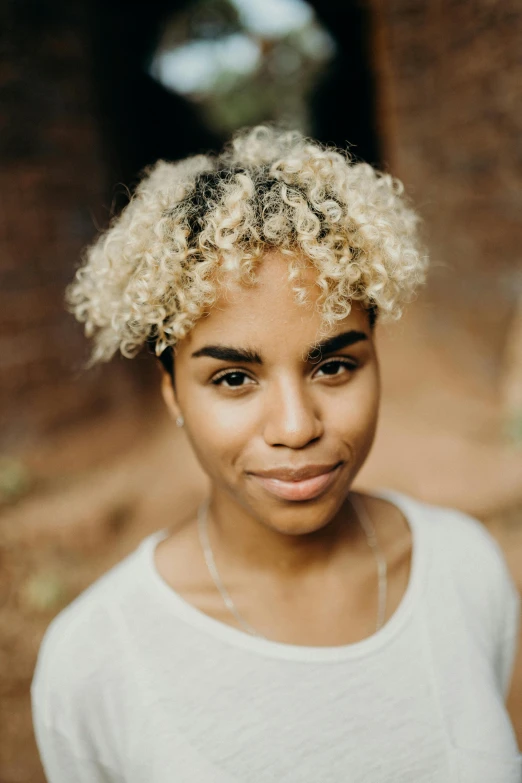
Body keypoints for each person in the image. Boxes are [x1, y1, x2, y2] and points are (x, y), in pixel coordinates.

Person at [31, 126, 521, 782]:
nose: (295, 426)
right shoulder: (95, 659)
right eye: (234, 378)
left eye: (335, 366)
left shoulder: (465, 568)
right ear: (173, 392)